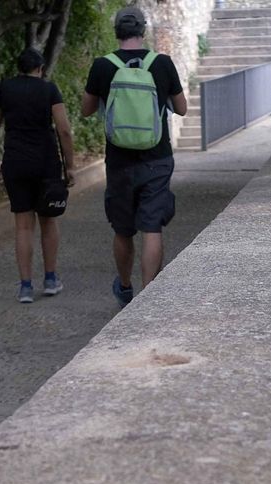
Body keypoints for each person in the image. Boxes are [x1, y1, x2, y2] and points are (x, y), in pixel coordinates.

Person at [82, 6, 187, 308]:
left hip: (119, 161)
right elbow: (181, 109)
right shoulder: (162, 63)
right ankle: (149, 295)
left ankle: (125, 287)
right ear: (143, 30)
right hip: (157, 158)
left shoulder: (103, 66)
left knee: (123, 229)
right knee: (151, 227)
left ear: (117, 31)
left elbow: (86, 110)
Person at [0, 47, 75, 304]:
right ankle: (50, 279)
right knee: (48, 220)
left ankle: (25, 287)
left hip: (15, 162)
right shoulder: (49, 89)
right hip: (46, 163)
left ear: (19, 68)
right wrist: (70, 166)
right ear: (40, 68)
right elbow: (64, 130)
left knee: (23, 225)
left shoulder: (4, 89)